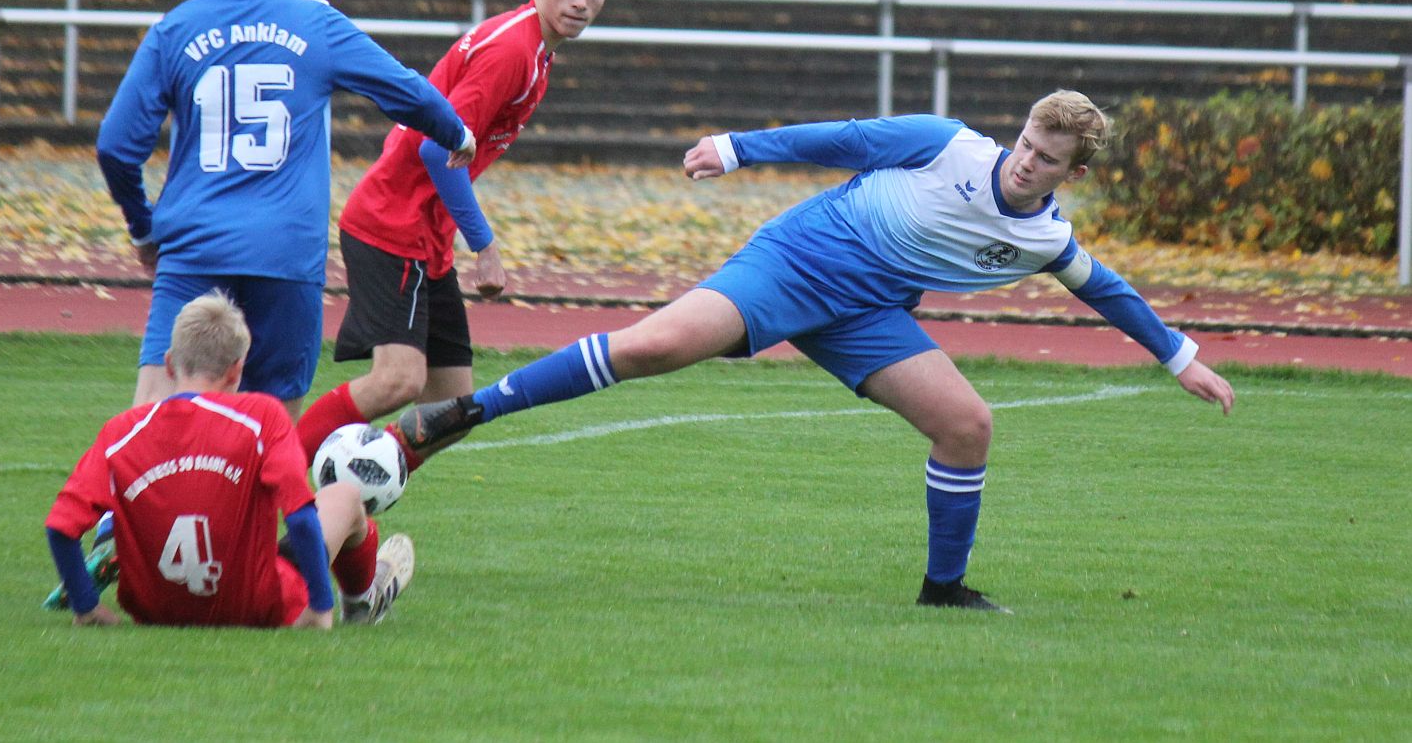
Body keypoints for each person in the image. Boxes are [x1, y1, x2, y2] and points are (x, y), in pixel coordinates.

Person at [390, 90, 1236, 613]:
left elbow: (1106, 288)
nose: (1024, 163)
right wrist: (737, 147)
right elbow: (848, 138)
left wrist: (1178, 357)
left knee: (967, 424)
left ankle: (943, 591)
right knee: (657, 345)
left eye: (1046, 159)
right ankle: (464, 410)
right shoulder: (948, 144)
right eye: (1024, 143)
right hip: (800, 259)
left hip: (865, 311)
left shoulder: (1048, 237)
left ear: (1071, 174)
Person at [96, 0, 476, 419]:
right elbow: (406, 90)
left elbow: (115, 146)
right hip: (285, 254)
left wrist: (143, 228)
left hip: (194, 248)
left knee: (156, 418)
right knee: (270, 427)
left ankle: (127, 506)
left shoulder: (172, 31)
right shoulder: (313, 22)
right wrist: (456, 133)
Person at [293, 0, 619, 463]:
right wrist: (484, 244)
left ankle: (355, 488)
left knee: (449, 407)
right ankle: (266, 476)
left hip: (425, 234)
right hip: (392, 226)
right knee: (397, 382)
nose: (581, 2)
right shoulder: (513, 51)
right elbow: (434, 150)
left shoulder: (535, 49)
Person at [45, 291, 414, 628]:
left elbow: (61, 527)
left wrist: (86, 606)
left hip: (153, 611)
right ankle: (361, 599)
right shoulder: (261, 416)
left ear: (170, 364)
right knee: (344, 497)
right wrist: (319, 607)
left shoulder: (120, 432)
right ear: (237, 370)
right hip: (256, 605)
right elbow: (300, 517)